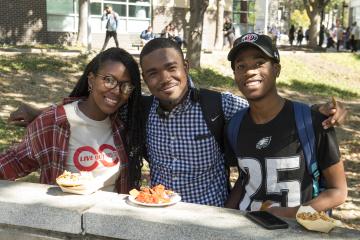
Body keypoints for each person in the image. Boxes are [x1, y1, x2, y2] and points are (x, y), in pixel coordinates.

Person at [8, 39, 347, 207]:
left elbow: (269, 113)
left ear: (185, 65)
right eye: (152, 73)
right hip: (155, 216)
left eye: (171, 68)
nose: (164, 79)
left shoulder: (221, 106)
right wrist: (42, 112)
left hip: (212, 222)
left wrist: (317, 112)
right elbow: (93, 105)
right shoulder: (139, 110)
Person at [224, 33, 347, 218]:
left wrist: (291, 213)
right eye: (241, 66)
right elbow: (245, 179)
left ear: (276, 69)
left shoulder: (312, 122)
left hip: (296, 230)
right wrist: (224, 215)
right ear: (235, 74)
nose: (249, 71)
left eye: (259, 63)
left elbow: (338, 191)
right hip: (247, 228)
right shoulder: (235, 125)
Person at [1, 48, 145, 194]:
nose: (116, 91)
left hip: (112, 215)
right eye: (108, 80)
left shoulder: (123, 125)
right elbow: (15, 162)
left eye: (125, 86)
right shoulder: (55, 122)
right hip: (65, 215)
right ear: (91, 80)